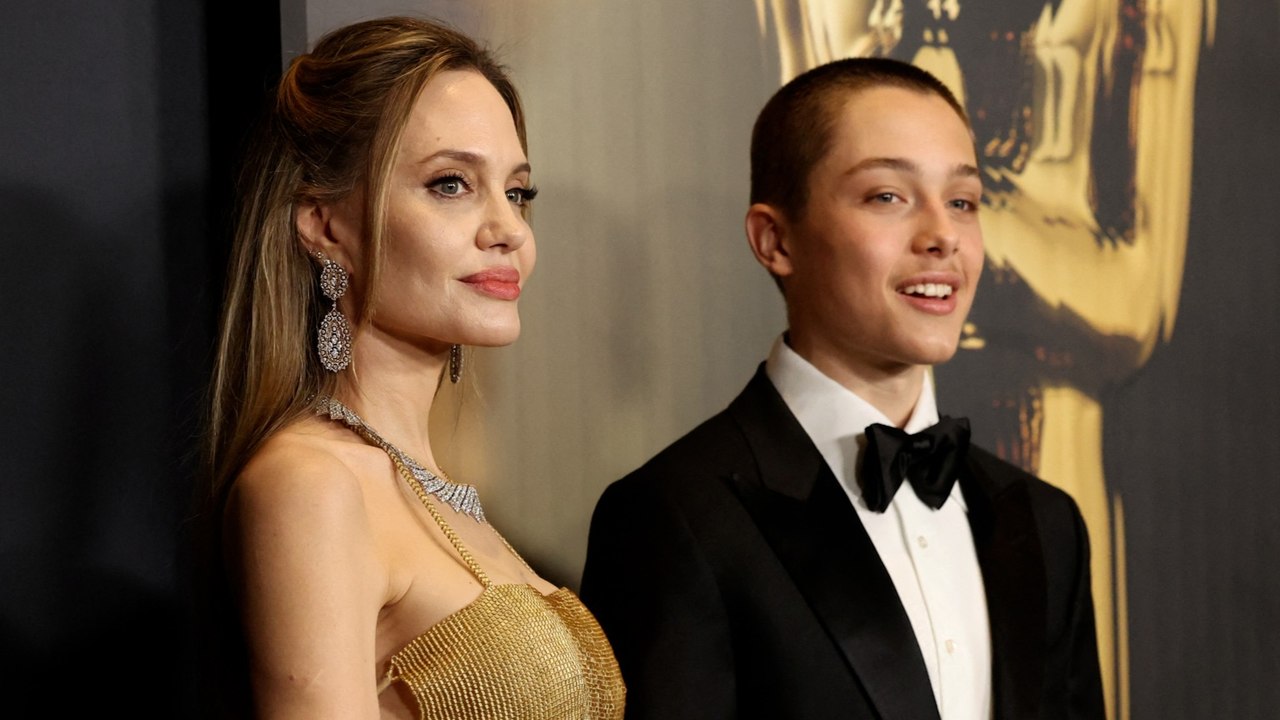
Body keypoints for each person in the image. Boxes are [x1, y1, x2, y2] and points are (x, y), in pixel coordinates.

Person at [579, 57, 1104, 719]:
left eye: (963, 201)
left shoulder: (1044, 521)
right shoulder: (675, 515)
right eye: (888, 196)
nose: (942, 236)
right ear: (776, 240)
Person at [192, 16, 624, 719]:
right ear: (326, 226)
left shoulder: (436, 492)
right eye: (451, 184)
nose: (508, 229)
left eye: (518, 192)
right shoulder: (311, 484)